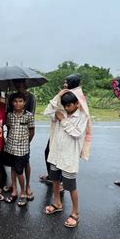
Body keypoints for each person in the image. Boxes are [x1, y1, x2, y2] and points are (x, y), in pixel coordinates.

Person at [43, 90, 89, 228]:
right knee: (55, 180)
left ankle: (75, 213)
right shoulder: (60, 111)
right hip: (56, 154)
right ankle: (57, 203)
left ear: (77, 103)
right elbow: (46, 111)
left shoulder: (82, 116)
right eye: (65, 105)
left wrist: (63, 119)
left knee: (70, 186)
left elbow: (76, 133)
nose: (67, 108)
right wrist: (57, 95)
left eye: (70, 105)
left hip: (69, 157)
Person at [39, 74, 82, 186]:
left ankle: (60, 182)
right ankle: (53, 178)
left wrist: (62, 119)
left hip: (68, 134)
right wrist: (58, 96)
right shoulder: (64, 94)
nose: (64, 84)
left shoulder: (77, 98)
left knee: (63, 159)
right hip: (57, 132)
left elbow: (77, 128)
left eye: (66, 83)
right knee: (50, 154)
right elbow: (49, 112)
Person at [4, 79, 36, 201]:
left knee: (25, 164)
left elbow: (31, 123)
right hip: (13, 141)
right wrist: (7, 100)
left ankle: (27, 186)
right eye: (17, 83)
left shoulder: (31, 97)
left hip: (23, 141)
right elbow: (8, 117)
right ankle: (14, 187)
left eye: (21, 83)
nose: (19, 85)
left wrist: (27, 142)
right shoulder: (12, 95)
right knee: (14, 166)